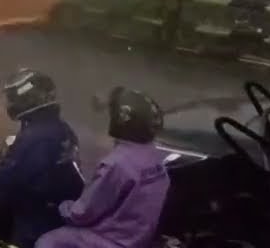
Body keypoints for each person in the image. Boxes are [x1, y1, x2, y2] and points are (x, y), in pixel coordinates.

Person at [0, 69, 86, 247]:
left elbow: (3, 180)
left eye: (13, 98)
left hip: (36, 220)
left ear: (28, 99)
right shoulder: (60, 128)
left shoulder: (36, 137)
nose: (9, 104)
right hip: (58, 210)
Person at [36, 87, 171, 248]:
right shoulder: (155, 158)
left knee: (47, 242)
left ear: (121, 122)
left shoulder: (117, 164)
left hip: (110, 240)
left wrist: (62, 206)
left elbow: (83, 214)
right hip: (137, 238)